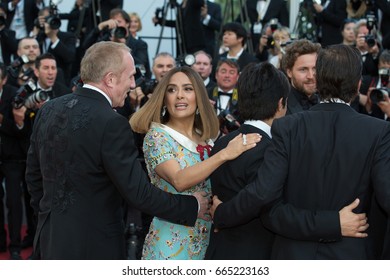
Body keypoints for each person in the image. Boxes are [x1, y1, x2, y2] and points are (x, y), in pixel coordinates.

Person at [25, 41, 211, 260]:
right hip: (94, 247)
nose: (133, 84)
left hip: (49, 240)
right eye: (130, 76)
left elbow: (33, 178)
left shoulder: (48, 109)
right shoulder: (112, 123)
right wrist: (192, 205)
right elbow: (138, 193)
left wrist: (48, 218)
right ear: (111, 79)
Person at [211, 44, 390, 260]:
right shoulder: (379, 131)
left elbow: (268, 205)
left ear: (318, 81)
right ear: (358, 84)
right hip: (351, 256)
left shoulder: (287, 127)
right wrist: (333, 223)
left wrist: (222, 214)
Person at [130, 66, 260, 259]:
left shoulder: (207, 139)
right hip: (169, 248)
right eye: (172, 90)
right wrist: (224, 154)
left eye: (188, 89)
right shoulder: (157, 136)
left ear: (198, 96)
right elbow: (179, 180)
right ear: (164, 98)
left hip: (207, 244)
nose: (180, 95)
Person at [280, 39, 321, 114]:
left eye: (315, 69)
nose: (311, 76)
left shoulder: (326, 101)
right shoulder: (280, 107)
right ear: (289, 72)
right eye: (303, 70)